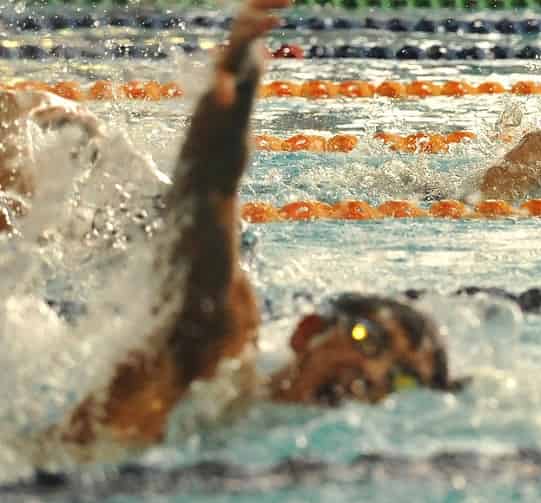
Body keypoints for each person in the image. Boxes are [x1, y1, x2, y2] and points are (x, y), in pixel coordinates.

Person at [9, 0, 463, 464]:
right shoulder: (221, 356)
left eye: (402, 378)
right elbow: (205, 210)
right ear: (307, 331)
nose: (374, 369)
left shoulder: (274, 449)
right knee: (30, 117)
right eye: (371, 339)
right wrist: (229, 109)